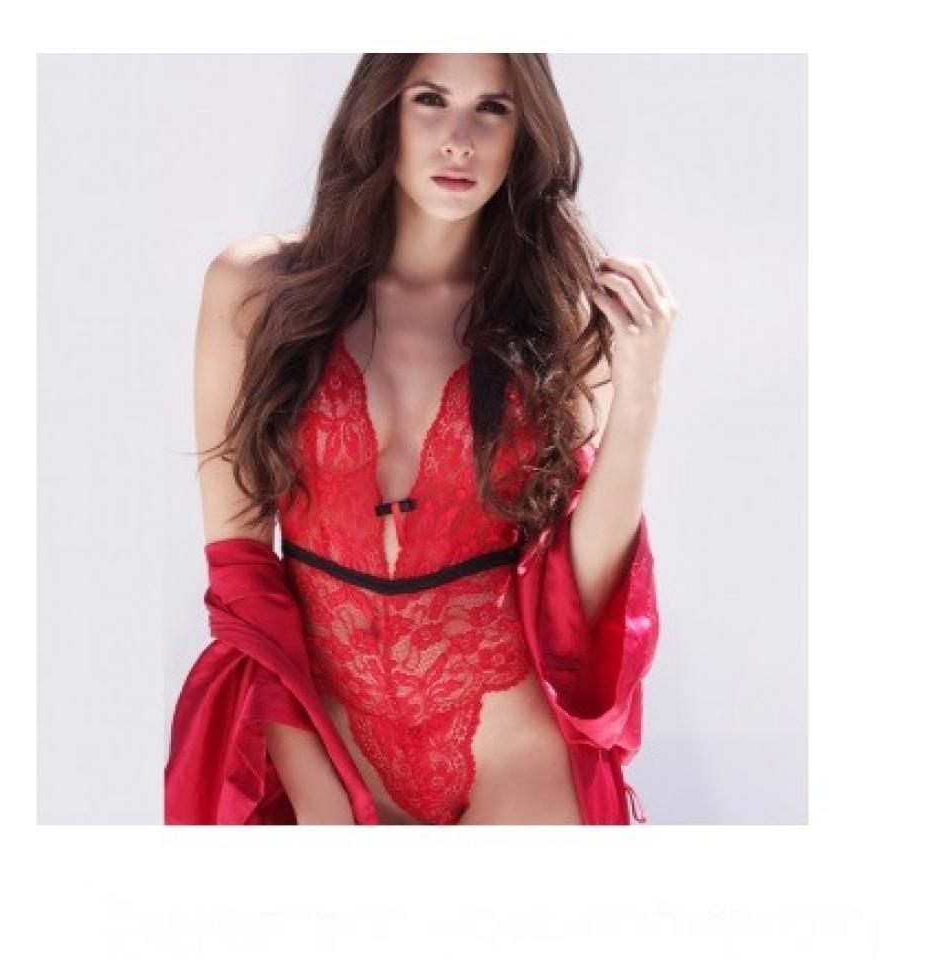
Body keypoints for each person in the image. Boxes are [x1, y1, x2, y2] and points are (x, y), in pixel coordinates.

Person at [164, 53, 677, 825]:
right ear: (382, 113)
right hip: (324, 736)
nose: (459, 138)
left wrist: (640, 391)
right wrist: (320, 794)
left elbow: (585, 585)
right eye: (431, 100)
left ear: (525, 133)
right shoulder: (257, 290)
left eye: (492, 109)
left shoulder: (558, 313)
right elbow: (239, 567)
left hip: (515, 753)